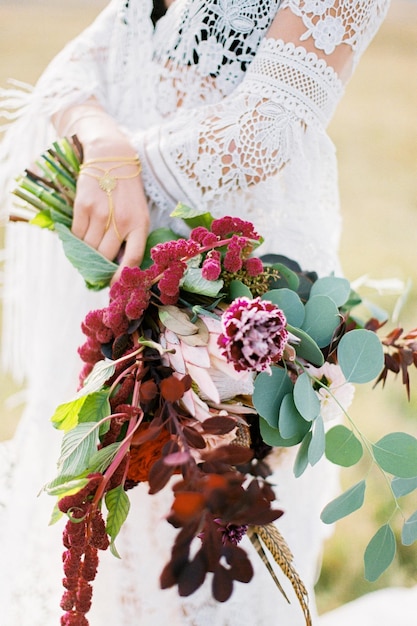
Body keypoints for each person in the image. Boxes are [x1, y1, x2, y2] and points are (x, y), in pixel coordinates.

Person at [0, 1, 391, 624]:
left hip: (233, 310)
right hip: (120, 290)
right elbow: (87, 58)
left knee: (204, 558)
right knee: (110, 560)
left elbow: (268, 127)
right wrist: (99, 142)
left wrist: (129, 171)